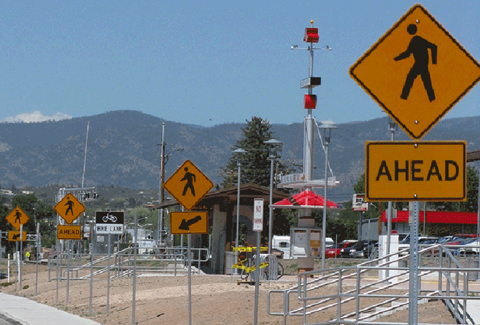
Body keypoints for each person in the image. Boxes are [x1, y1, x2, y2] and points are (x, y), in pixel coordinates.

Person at [394, 23, 437, 102]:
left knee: (411, 79)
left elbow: (434, 47)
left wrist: (434, 62)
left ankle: (403, 98)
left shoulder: (416, 40)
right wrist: (397, 58)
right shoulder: (416, 40)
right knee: (426, 83)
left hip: (420, 64)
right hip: (421, 64)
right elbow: (408, 54)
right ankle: (432, 99)